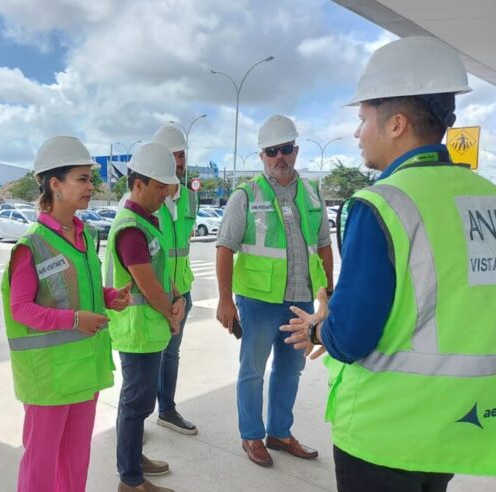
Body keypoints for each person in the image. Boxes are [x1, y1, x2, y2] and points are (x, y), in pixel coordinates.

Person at [281, 36, 496, 490]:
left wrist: (321, 328)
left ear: (396, 123)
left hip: (388, 431)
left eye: (363, 119)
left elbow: (353, 336)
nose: (358, 133)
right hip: (458, 422)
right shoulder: (486, 198)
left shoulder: (382, 204)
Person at [1, 136, 131, 492]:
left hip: (85, 369)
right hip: (49, 377)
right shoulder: (32, 244)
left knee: (76, 459)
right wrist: (75, 321)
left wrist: (107, 297)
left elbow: (77, 290)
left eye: (91, 178)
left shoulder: (84, 234)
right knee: (41, 463)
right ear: (54, 184)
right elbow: (21, 309)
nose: (92, 186)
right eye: (82, 179)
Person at [215, 114, 333, 467]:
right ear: (261, 155)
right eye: (271, 151)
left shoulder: (312, 194)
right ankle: (251, 435)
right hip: (257, 301)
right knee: (252, 370)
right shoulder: (246, 195)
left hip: (300, 301)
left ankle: (280, 433)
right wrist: (224, 301)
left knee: (290, 369)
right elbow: (224, 247)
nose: (279, 157)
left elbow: (324, 246)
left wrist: (329, 294)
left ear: (296, 150)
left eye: (285, 149)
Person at [104, 142, 185, 492]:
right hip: (137, 331)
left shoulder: (147, 223)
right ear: (138, 183)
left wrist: (178, 296)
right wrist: (171, 314)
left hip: (150, 329)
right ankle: (130, 479)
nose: (166, 195)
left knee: (140, 401)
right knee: (136, 404)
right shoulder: (131, 228)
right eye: (160, 187)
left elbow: (161, 273)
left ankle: (135, 459)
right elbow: (148, 285)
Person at [151, 126, 198, 435]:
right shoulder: (144, 200)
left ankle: (167, 410)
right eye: (171, 156)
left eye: (180, 156)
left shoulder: (191, 200)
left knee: (171, 354)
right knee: (145, 357)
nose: (177, 163)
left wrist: (181, 294)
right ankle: (132, 418)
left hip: (184, 292)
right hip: (153, 293)